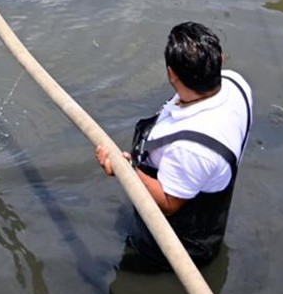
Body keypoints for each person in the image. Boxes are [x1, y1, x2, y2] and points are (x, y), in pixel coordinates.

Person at [95, 22, 252, 270]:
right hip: (203, 206)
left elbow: (168, 205)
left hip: (176, 248)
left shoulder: (192, 149)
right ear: (220, 61)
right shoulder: (235, 83)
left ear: (171, 74)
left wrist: (124, 169)